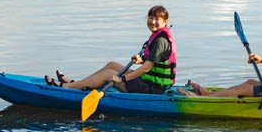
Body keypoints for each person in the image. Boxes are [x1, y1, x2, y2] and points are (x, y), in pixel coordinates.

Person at [44, 5, 177, 94]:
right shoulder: (158, 37)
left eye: (157, 19)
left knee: (108, 74)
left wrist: (122, 79)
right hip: (149, 82)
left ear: (165, 21)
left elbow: (147, 69)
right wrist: (141, 60)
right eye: (150, 18)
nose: (152, 22)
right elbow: (153, 63)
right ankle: (78, 84)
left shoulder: (160, 41)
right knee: (112, 65)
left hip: (153, 89)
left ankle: (66, 87)